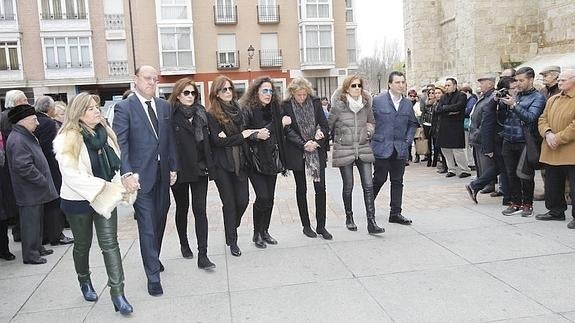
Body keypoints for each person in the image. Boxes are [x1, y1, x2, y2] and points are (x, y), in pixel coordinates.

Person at [54, 92, 135, 315]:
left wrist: (125, 182)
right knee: (83, 245)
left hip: (105, 200)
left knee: (110, 244)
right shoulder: (67, 138)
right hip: (78, 202)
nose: (97, 111)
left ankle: (118, 294)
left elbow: (116, 165)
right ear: (78, 114)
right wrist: (105, 190)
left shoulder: (106, 134)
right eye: (90, 108)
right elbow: (72, 176)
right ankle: (84, 280)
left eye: (97, 107)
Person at [113, 65, 178, 297]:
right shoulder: (124, 108)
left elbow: (169, 140)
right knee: (147, 226)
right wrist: (127, 173)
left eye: (155, 79)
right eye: (147, 78)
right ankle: (153, 276)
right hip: (140, 179)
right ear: (136, 80)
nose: (152, 82)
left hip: (162, 174)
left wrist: (173, 167)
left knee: (160, 219)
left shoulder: (164, 106)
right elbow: (121, 144)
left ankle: (153, 256)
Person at [328, 74, 384, 234]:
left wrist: (370, 130)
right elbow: (328, 125)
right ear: (346, 88)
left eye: (359, 85)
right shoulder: (338, 106)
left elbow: (372, 122)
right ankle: (349, 217)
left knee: (368, 185)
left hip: (363, 147)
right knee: (349, 185)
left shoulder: (366, 105)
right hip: (344, 149)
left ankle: (371, 222)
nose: (357, 88)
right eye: (353, 86)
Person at [169, 78, 216, 269]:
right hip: (180, 169)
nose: (190, 96)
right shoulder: (171, 116)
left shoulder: (201, 114)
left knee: (200, 210)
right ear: (178, 95)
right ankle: (184, 243)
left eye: (193, 93)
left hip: (200, 168)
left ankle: (203, 254)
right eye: (186, 93)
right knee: (182, 208)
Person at [207, 75, 255, 256]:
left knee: (243, 200)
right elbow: (218, 142)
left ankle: (231, 226)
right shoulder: (211, 114)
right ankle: (232, 241)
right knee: (229, 203)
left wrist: (232, 138)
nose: (228, 92)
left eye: (229, 89)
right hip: (222, 166)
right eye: (223, 89)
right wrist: (242, 136)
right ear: (217, 93)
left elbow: (228, 139)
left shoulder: (239, 110)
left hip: (241, 162)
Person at [5, 104, 57, 264]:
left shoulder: (25, 135)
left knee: (37, 221)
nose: (38, 123)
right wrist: (41, 179)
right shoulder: (19, 139)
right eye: (34, 119)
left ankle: (37, 247)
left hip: (34, 190)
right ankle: (31, 255)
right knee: (30, 223)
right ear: (23, 121)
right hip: (29, 190)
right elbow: (23, 166)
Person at [241, 76, 289, 248]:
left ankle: (265, 231)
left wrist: (284, 123)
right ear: (256, 92)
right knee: (262, 197)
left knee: (270, 198)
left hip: (272, 159)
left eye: (270, 91)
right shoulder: (248, 109)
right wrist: (256, 135)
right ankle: (256, 233)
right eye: (264, 91)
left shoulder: (276, 110)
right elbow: (242, 132)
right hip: (254, 160)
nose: (268, 94)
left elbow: (284, 129)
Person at [282, 77, 332, 239]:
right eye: (298, 95)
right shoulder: (286, 105)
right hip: (298, 151)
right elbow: (288, 131)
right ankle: (306, 225)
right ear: (292, 93)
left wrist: (317, 141)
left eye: (304, 94)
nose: (302, 97)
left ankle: (321, 226)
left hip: (316, 151)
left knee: (320, 189)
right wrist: (304, 144)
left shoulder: (316, 102)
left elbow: (324, 125)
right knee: (301, 189)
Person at [371, 71, 419, 225]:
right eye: (397, 82)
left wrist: (407, 140)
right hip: (381, 147)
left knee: (397, 180)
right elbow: (369, 121)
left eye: (403, 82)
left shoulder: (407, 104)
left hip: (400, 149)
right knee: (379, 178)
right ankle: (369, 206)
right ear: (390, 84)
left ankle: (395, 213)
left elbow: (412, 123)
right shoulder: (378, 101)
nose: (401, 85)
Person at [499, 66, 546, 216]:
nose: (518, 84)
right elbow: (504, 118)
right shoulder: (516, 95)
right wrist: (501, 104)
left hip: (525, 141)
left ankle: (527, 204)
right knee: (510, 174)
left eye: (521, 80)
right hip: (508, 139)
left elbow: (531, 118)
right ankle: (516, 203)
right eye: (516, 80)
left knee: (525, 175)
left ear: (531, 80)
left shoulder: (538, 97)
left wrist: (514, 105)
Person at [536, 68, 575, 228]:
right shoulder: (553, 99)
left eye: (563, 80)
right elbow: (542, 119)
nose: (559, 83)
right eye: (559, 80)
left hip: (570, 150)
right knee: (553, 183)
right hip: (551, 148)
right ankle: (555, 210)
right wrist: (548, 133)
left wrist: (558, 138)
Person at [34, 96, 74, 246]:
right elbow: (53, 148)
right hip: (50, 166)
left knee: (45, 204)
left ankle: (45, 235)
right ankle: (56, 235)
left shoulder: (35, 120)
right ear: (50, 109)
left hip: (39, 165)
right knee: (55, 202)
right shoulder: (49, 123)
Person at [1, 89, 29, 242]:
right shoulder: (9, 117)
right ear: (16, 102)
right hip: (11, 164)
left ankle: (19, 232)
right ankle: (19, 233)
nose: (26, 103)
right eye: (24, 100)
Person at [435, 78, 471, 178]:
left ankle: (464, 169)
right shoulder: (443, 97)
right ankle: (451, 169)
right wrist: (448, 110)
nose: (446, 87)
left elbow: (458, 107)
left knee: (457, 149)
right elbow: (438, 109)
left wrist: (445, 109)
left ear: (455, 86)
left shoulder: (461, 95)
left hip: (455, 126)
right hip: (444, 125)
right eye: (445, 85)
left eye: (449, 85)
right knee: (445, 149)